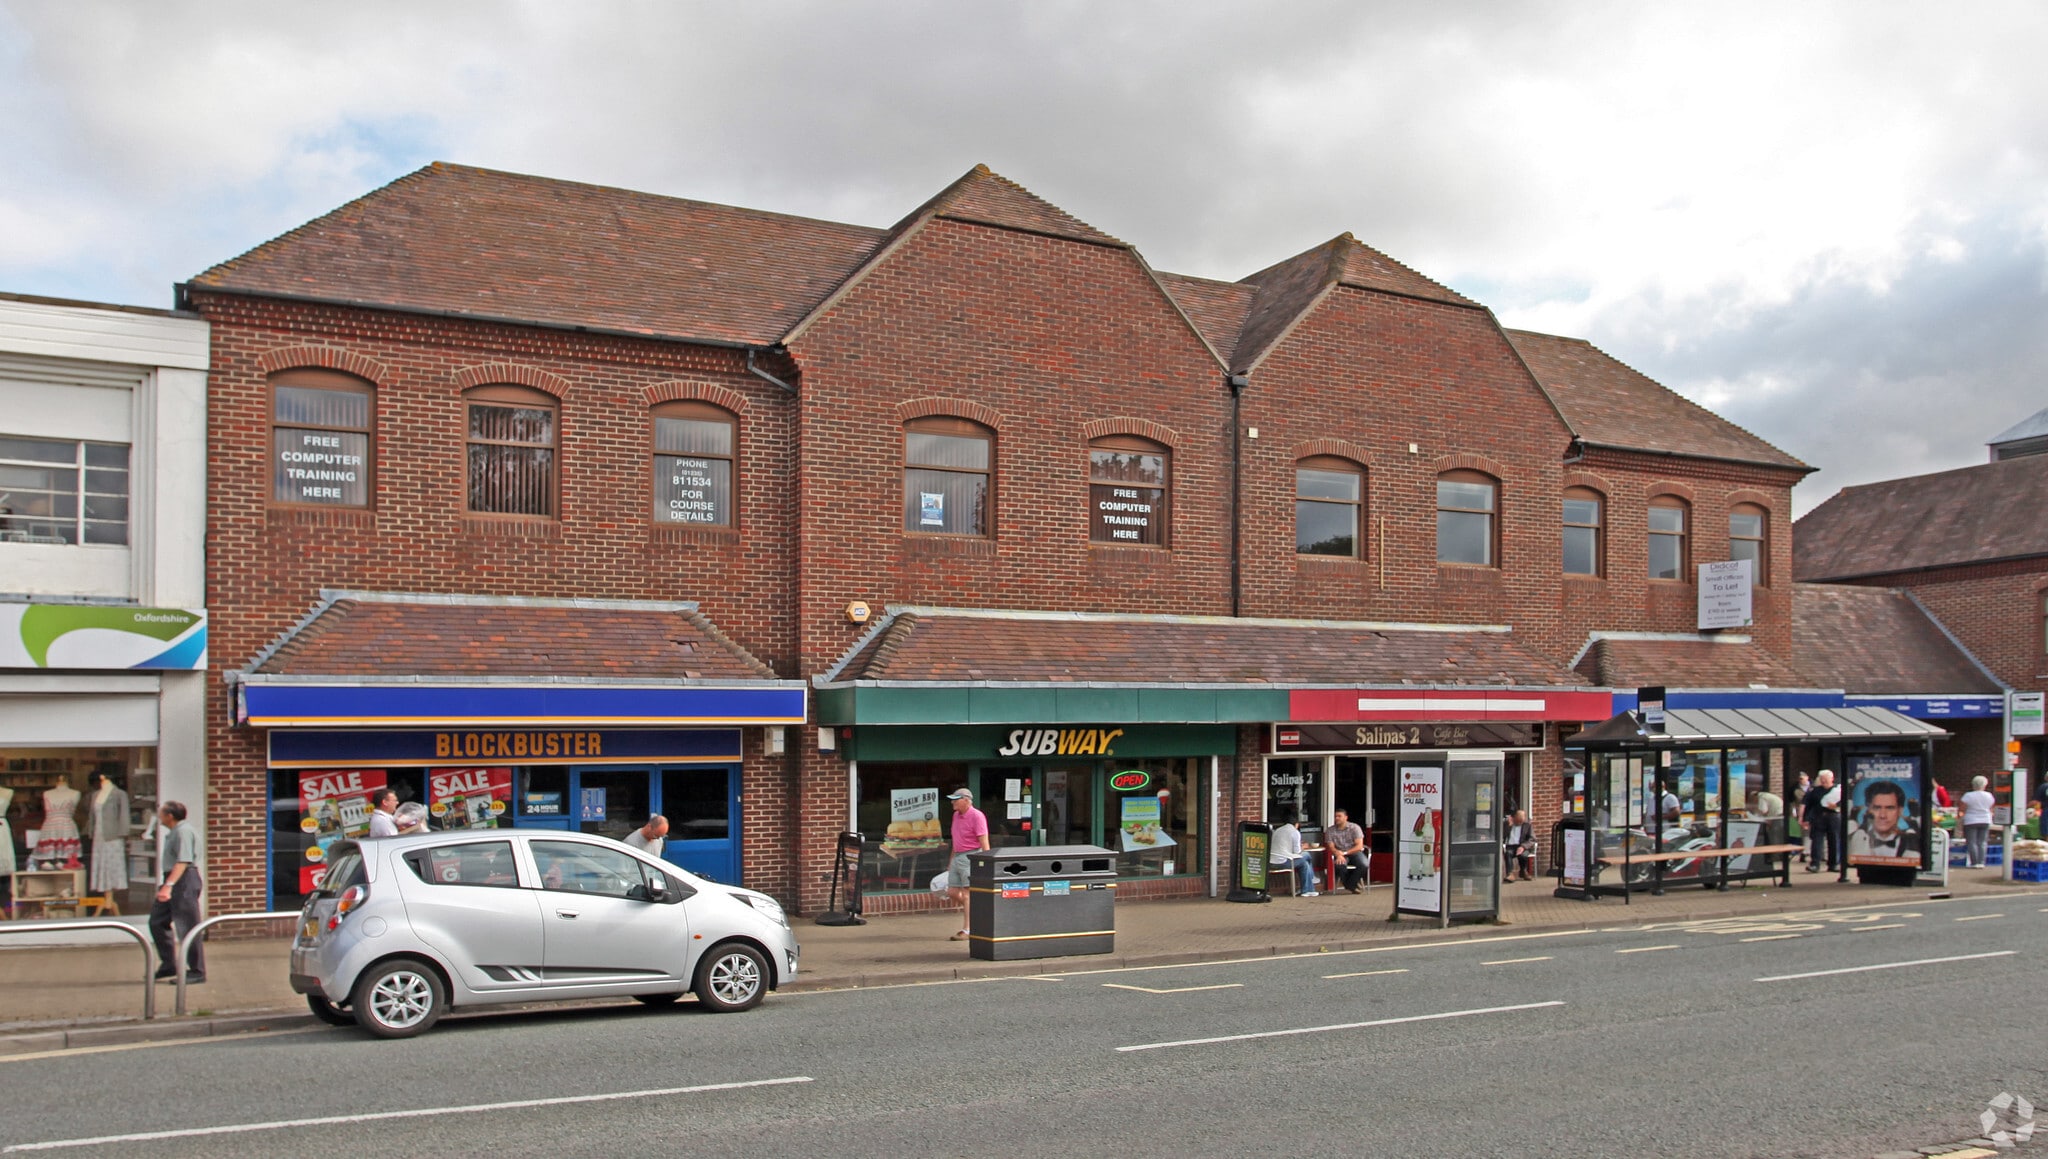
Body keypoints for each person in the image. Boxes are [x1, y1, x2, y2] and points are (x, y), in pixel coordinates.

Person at [150, 801, 204, 983]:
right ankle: (168, 965)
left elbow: (183, 861)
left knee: (188, 926)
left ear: (170, 816)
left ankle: (197, 970)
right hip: (174, 879)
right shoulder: (175, 832)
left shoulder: (183, 831)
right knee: (157, 921)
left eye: (161, 813)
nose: (159, 816)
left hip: (183, 881)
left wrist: (168, 885)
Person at [946, 788, 989, 941]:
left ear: (966, 800)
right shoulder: (956, 816)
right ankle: (974, 908)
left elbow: (984, 842)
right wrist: (951, 861)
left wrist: (986, 863)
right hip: (957, 857)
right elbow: (955, 839)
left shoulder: (977, 816)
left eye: (955, 799)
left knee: (967, 894)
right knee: (951, 891)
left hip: (971, 856)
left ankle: (968, 930)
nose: (952, 802)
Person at [1846, 780, 1919, 861]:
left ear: (1900, 810)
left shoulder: (1912, 841)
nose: (1883, 815)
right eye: (1877, 808)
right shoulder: (1854, 838)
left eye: (1890, 808)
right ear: (1868, 809)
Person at [86, 771, 131, 895]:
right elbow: (91, 816)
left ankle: (112, 891)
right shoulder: (95, 795)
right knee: (100, 861)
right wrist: (90, 831)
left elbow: (124, 815)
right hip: (98, 834)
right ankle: (102, 887)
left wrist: (123, 833)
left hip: (113, 835)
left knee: (112, 862)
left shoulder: (120, 794)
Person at [1268, 815, 1320, 896]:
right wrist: (1303, 847)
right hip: (1283, 862)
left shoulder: (1278, 830)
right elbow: (1298, 852)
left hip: (1271, 862)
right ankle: (1312, 878)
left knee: (1304, 864)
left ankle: (1307, 891)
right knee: (1307, 854)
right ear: (1297, 824)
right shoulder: (1294, 832)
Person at [1805, 769, 1842, 872]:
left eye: (1826, 779)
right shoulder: (1816, 791)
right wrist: (1806, 819)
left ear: (1832, 779)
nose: (1824, 781)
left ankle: (1833, 864)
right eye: (1822, 779)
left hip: (1833, 817)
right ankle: (1815, 864)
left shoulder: (1839, 790)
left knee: (1834, 840)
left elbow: (1845, 803)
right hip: (1818, 817)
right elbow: (1809, 804)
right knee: (1816, 841)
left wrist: (1836, 807)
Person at [1326, 808, 1368, 893]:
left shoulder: (1354, 828)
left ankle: (1350, 884)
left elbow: (1359, 846)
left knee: (1364, 864)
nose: (1336, 818)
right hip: (1339, 853)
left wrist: (1345, 853)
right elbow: (1331, 846)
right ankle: (1353, 886)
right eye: (1335, 816)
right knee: (1340, 866)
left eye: (1339, 816)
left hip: (1354, 852)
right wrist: (1338, 854)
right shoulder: (1330, 830)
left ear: (1346, 817)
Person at [1960, 775, 1996, 869]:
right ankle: (1981, 862)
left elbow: (1962, 808)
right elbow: (1992, 808)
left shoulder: (1968, 795)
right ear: (1984, 785)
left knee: (1972, 842)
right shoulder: (1989, 795)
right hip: (1985, 819)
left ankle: (1974, 862)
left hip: (1971, 820)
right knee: (1982, 842)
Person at [1502, 809, 1536, 882]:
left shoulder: (1527, 826)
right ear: (1513, 818)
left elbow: (1532, 839)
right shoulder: (1507, 824)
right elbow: (1502, 835)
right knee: (1508, 853)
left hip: (1522, 846)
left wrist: (1523, 847)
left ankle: (1523, 871)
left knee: (1523, 855)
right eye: (1518, 821)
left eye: (1521, 821)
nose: (1519, 823)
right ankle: (1510, 874)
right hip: (1510, 846)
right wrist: (1508, 826)